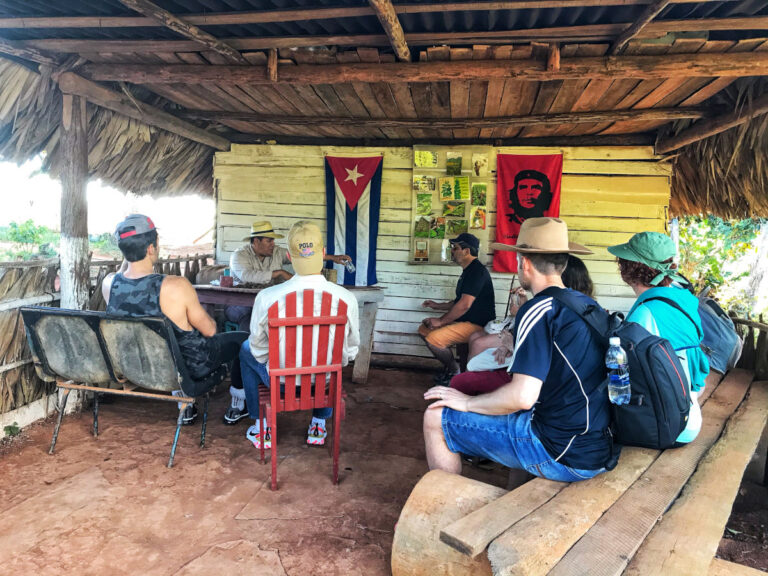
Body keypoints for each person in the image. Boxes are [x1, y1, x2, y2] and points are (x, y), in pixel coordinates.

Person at [423, 217, 613, 482]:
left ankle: (444, 510)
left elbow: (522, 396)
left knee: (435, 417)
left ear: (523, 263)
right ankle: (513, 495)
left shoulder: (538, 309)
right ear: (564, 263)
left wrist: (467, 402)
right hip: (595, 443)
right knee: (522, 415)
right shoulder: (584, 304)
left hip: (559, 451)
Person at [102, 214, 248, 425]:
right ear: (152, 248)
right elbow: (209, 331)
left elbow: (123, 274)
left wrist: (130, 252)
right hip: (188, 369)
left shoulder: (109, 285)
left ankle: (185, 406)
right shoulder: (176, 286)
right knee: (241, 339)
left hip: (138, 366)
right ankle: (238, 402)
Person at [239, 220, 360, 449]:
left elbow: (258, 348)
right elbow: (351, 350)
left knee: (246, 350)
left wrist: (276, 362)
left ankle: (262, 427)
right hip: (324, 382)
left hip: (281, 381)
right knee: (334, 362)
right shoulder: (346, 298)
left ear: (290, 256)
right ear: (323, 253)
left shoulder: (267, 297)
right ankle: (318, 423)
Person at [608, 231, 709, 445]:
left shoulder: (645, 314)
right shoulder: (682, 300)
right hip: (690, 417)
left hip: (668, 429)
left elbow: (623, 381)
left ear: (631, 269)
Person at [457, 255, 595, 394]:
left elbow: (546, 363)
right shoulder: (582, 306)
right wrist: (511, 345)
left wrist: (511, 345)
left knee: (461, 381)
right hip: (528, 371)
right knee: (473, 360)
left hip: (544, 388)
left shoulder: (558, 311)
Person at [418, 232, 495, 385]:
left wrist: (440, 321)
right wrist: (437, 306)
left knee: (433, 339)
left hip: (477, 325)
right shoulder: (469, 271)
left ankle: (455, 371)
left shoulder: (477, 272)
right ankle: (454, 368)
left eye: (455, 248)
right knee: (424, 329)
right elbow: (458, 302)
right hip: (466, 321)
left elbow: (464, 305)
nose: (452, 251)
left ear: (466, 251)